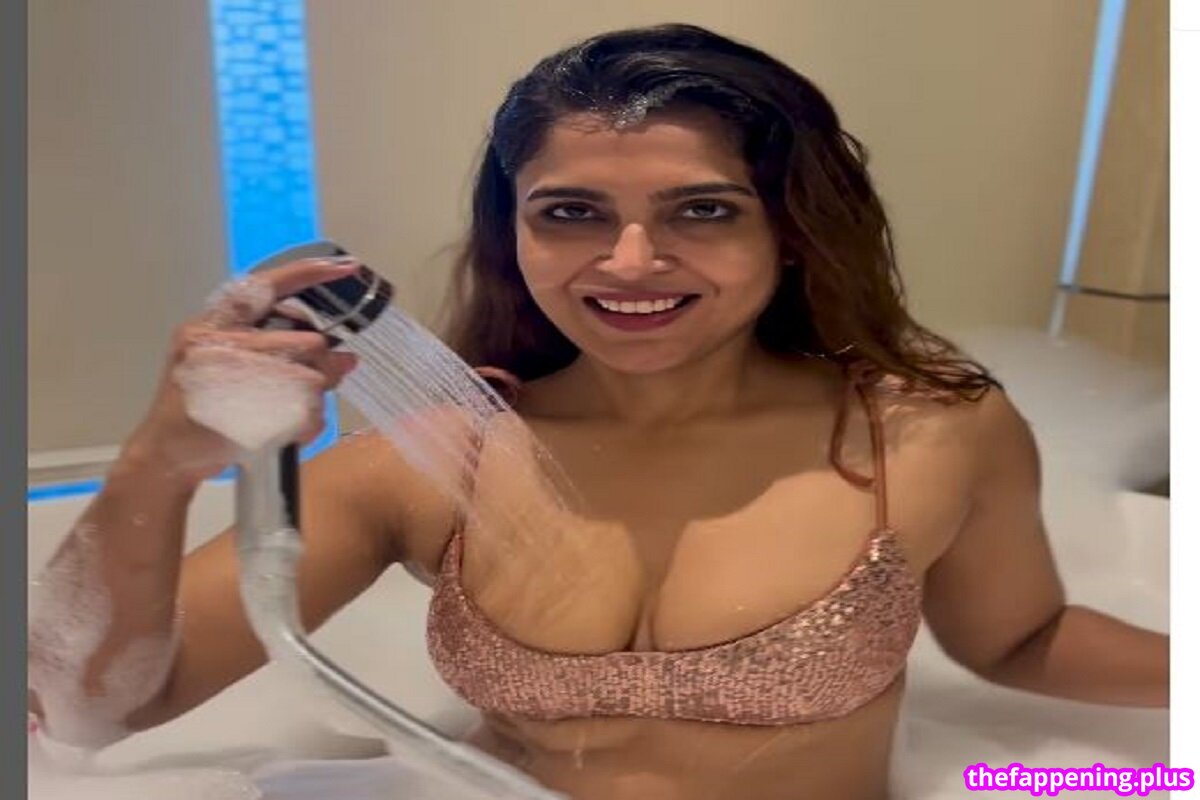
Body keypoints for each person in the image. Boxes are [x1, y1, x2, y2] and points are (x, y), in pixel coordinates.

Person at [29, 23, 1167, 800]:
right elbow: (88, 708)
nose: (628, 260)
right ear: (515, 229)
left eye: (701, 210)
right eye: (569, 211)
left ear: (790, 229)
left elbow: (1019, 639)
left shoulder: (922, 432)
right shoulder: (438, 456)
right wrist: (162, 456)